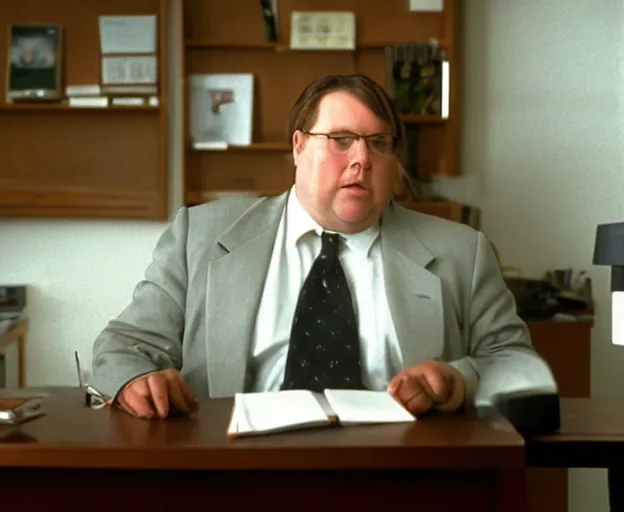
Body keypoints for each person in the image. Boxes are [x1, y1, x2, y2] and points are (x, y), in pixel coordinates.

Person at [89, 73, 557, 420]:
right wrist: (135, 379)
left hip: (398, 475)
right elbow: (124, 346)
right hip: (235, 471)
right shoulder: (202, 235)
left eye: (378, 143)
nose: (361, 159)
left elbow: (516, 365)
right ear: (298, 147)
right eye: (340, 140)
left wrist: (459, 380)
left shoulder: (461, 251)